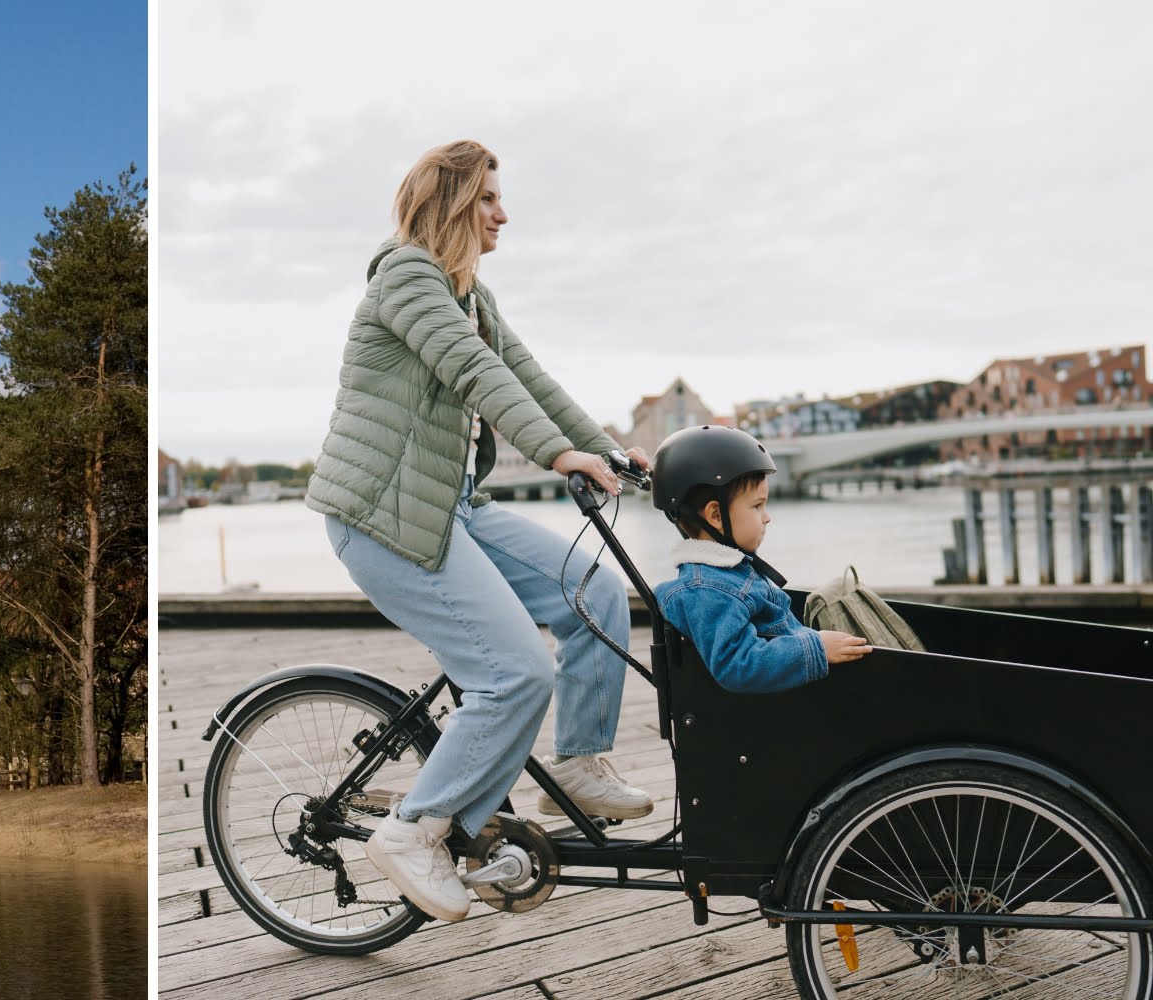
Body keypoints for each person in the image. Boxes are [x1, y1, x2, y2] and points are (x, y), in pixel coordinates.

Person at [305, 140, 652, 924]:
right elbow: (475, 374)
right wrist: (555, 453)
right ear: (454, 206)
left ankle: (579, 762)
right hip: (383, 515)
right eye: (488, 199)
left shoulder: (472, 297)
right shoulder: (406, 278)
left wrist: (601, 446)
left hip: (450, 505)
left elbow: (528, 377)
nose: (503, 212)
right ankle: (412, 833)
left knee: (591, 586)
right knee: (516, 671)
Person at [649, 425, 872, 693]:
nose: (767, 517)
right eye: (757, 506)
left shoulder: (728, 571)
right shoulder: (707, 590)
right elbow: (737, 664)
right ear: (716, 516)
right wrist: (817, 648)